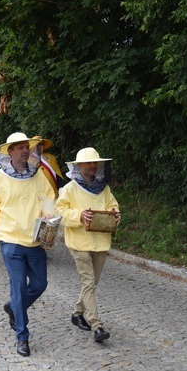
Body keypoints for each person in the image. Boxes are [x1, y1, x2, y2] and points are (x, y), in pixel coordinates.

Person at [0, 132, 55, 357]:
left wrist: (50, 217)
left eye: (26, 147)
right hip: (10, 241)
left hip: (35, 241)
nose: (24, 151)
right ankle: (22, 337)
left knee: (40, 284)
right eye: (19, 147)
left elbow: (49, 200)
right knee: (19, 289)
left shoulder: (38, 175)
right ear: (9, 151)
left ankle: (13, 308)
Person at [55, 147, 120, 343]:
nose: (92, 166)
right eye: (88, 163)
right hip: (79, 242)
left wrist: (116, 216)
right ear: (79, 166)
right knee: (88, 283)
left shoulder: (104, 188)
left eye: (95, 163)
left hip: (100, 242)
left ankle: (77, 313)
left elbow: (113, 207)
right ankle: (96, 326)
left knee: (92, 284)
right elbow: (60, 211)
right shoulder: (69, 188)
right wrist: (79, 215)